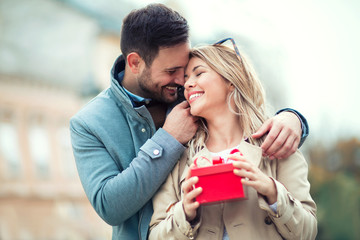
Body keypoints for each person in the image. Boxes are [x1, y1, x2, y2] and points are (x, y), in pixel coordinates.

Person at [70, 4, 309, 240]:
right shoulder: (88, 124)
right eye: (173, 71)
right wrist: (169, 139)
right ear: (135, 63)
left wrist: (294, 119)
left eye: (187, 71)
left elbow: (239, 108)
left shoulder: (187, 95)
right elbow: (110, 206)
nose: (183, 81)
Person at [149, 41, 317, 239]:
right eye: (186, 78)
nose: (187, 84)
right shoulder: (178, 156)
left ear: (230, 80)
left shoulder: (277, 143)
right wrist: (184, 213)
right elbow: (155, 234)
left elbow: (308, 232)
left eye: (199, 73)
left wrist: (273, 192)